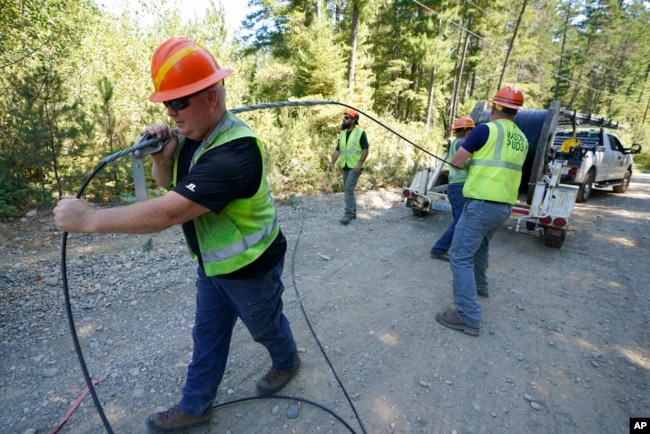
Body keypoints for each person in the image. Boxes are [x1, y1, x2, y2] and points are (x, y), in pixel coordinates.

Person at [53, 37, 301, 433]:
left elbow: (171, 211)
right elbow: (169, 185)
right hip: (214, 264)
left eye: (180, 102)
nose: (171, 111)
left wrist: (90, 219)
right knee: (206, 336)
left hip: (253, 268)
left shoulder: (235, 155)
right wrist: (163, 158)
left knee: (265, 327)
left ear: (213, 99)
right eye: (168, 103)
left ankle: (286, 360)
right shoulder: (193, 138)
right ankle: (196, 405)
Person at [435, 86, 528, 336]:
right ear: (516, 113)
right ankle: (480, 287)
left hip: (481, 204)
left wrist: (471, 163)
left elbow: (456, 162)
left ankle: (467, 316)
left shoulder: (485, 130)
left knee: (459, 255)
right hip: (504, 207)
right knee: (481, 247)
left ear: (495, 107)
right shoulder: (522, 138)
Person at [430, 116, 475, 261]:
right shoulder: (463, 143)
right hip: (459, 187)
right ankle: (438, 249)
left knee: (460, 222)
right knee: (460, 223)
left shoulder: (456, 143)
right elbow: (468, 162)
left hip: (456, 187)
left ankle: (451, 249)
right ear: (468, 131)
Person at [328, 108, 369, 225]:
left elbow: (365, 149)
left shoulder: (360, 132)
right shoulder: (342, 134)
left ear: (353, 120)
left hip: (356, 166)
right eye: (344, 117)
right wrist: (332, 162)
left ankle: (348, 214)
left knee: (348, 189)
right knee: (348, 190)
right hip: (346, 165)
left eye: (347, 118)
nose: (344, 120)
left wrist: (360, 163)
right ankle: (353, 212)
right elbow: (337, 150)